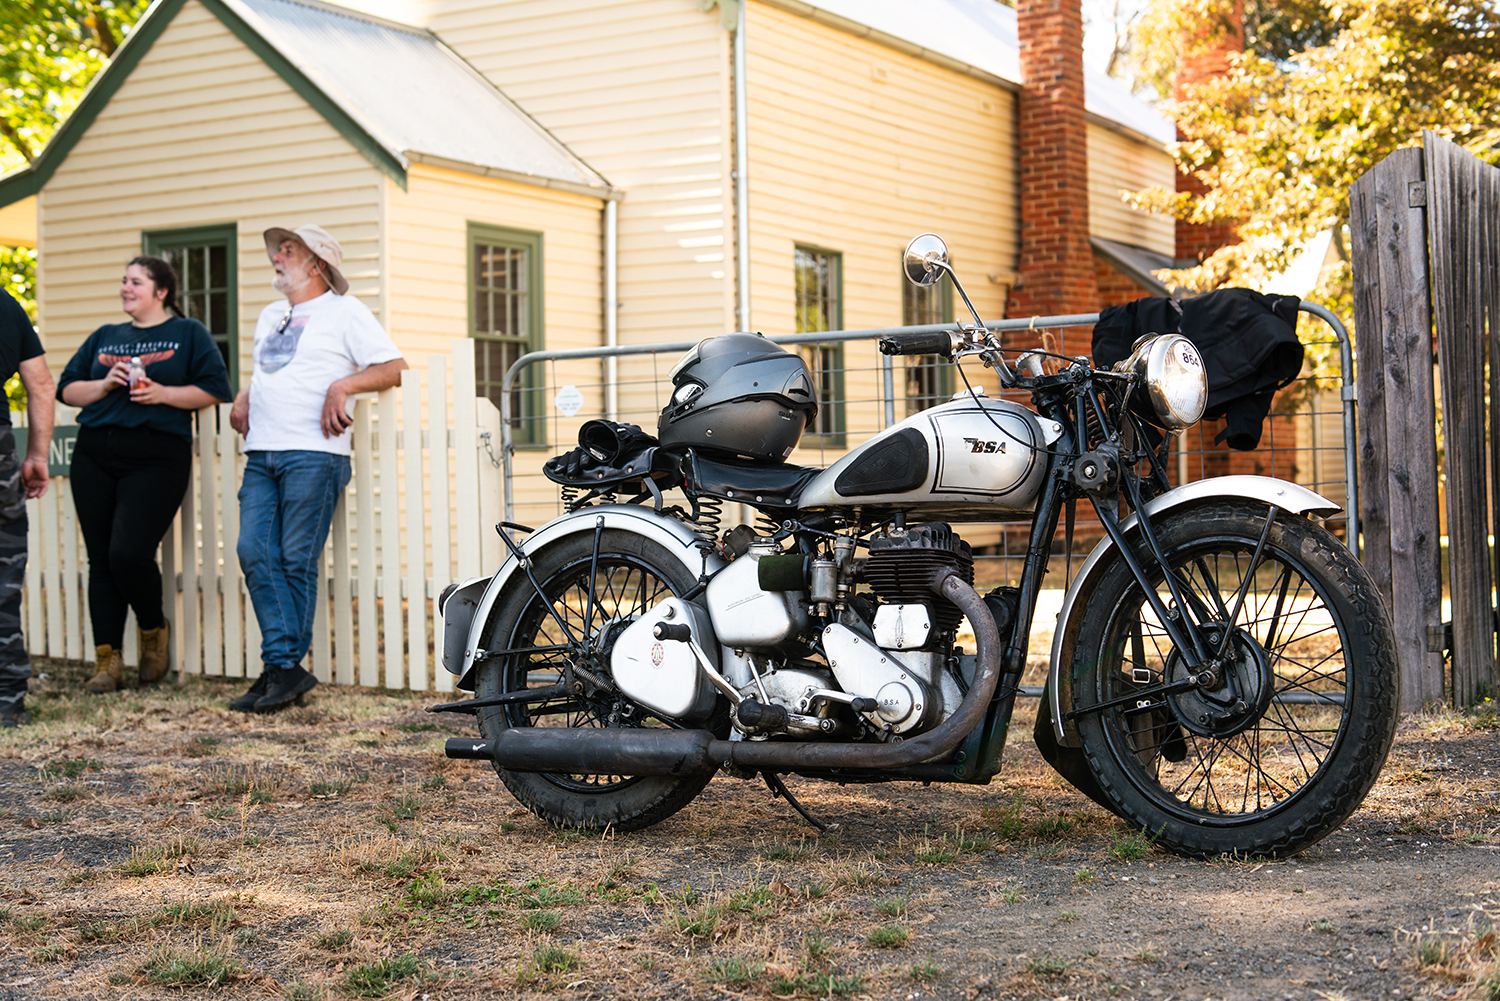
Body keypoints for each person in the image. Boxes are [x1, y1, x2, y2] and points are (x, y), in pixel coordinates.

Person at [229, 225, 406, 713]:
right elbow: (267, 370)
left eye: (289, 250)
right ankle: (285, 669)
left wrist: (341, 387)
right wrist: (246, 393)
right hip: (261, 451)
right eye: (277, 250)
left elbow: (392, 367)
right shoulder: (270, 314)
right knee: (253, 551)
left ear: (317, 265)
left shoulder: (345, 311)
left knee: (292, 560)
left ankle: (280, 668)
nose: (277, 257)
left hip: (315, 452)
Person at [58, 257, 233, 693]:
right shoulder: (105, 337)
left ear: (161, 292)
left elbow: (215, 388)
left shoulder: (188, 333)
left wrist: (162, 393)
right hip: (95, 451)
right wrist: (104, 385)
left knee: (128, 553)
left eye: (135, 282)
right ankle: (107, 662)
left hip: (156, 454)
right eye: (123, 280)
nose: (125, 288)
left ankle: (153, 631)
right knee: (100, 558)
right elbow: (66, 389)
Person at [0, 288, 54, 726]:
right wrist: (36, 455)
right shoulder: (4, 302)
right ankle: (7, 698)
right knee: (2, 574)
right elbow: (40, 383)